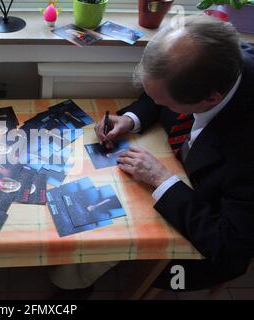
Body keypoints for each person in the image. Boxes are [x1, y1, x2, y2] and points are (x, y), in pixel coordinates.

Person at [93, 15, 254, 291]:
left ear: (210, 99)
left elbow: (231, 250)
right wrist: (131, 119)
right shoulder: (212, 59)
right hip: (186, 174)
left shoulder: (247, 149)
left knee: (114, 250)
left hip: (205, 235)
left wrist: (162, 180)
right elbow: (163, 91)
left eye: (165, 102)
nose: (157, 104)